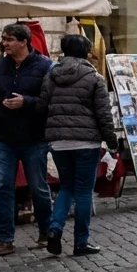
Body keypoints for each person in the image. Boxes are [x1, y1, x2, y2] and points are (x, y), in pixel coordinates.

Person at [38, 34, 116, 257]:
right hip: (86, 142)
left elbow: (42, 107)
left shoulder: (51, 75)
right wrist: (111, 142)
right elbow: (103, 115)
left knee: (66, 187)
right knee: (83, 191)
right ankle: (81, 242)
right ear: (85, 52)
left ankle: (54, 229)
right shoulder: (94, 77)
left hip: (59, 141)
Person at [0, 23, 54, 256]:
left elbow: (49, 101)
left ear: (23, 41)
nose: (5, 43)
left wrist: (25, 102)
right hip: (3, 137)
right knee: (3, 188)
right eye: (4, 39)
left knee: (38, 187)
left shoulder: (45, 66)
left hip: (33, 137)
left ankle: (46, 231)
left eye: (9, 39)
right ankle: (5, 239)